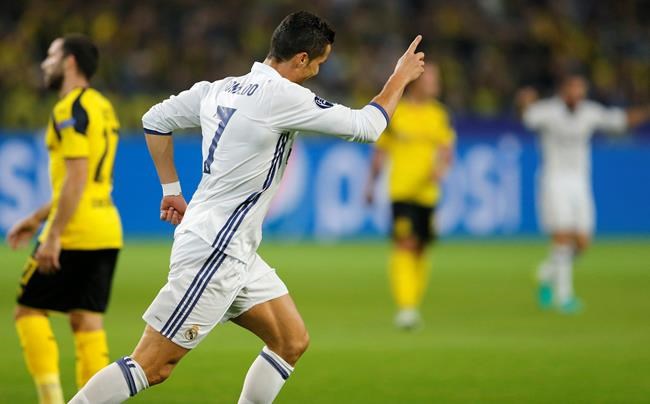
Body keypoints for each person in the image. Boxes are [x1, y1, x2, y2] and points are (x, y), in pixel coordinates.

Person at [70, 11, 424, 404]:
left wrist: (171, 189)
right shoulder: (283, 96)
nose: (316, 74)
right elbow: (368, 126)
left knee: (290, 341)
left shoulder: (221, 88)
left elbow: (155, 120)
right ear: (301, 59)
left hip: (233, 249)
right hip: (214, 251)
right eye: (318, 64)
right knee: (152, 366)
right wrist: (400, 77)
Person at [6, 34, 122, 404]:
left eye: (51, 55)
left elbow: (76, 177)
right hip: (106, 227)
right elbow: (88, 183)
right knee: (86, 320)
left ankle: (51, 400)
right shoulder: (103, 106)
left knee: (28, 311)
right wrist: (36, 218)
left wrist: (52, 234)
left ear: (69, 61)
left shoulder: (68, 108)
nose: (44, 63)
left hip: (74, 229)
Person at [517, 74, 650, 313]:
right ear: (563, 90)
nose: (577, 95)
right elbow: (527, 117)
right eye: (573, 90)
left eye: (580, 90)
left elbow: (621, 121)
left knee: (583, 242)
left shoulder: (589, 112)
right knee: (563, 235)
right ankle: (564, 296)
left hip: (580, 182)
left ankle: (547, 273)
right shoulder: (548, 111)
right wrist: (525, 101)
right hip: (554, 180)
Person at [365, 63, 455, 329]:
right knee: (404, 244)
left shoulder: (438, 114)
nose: (436, 83)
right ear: (417, 82)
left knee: (421, 249)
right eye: (432, 79)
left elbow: (446, 149)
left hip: (427, 193)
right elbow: (381, 152)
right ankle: (406, 307)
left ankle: (413, 303)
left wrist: (440, 169)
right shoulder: (398, 112)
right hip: (401, 191)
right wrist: (370, 184)